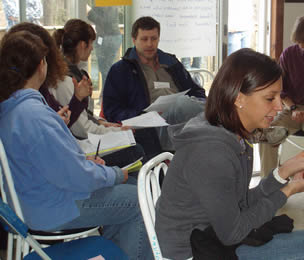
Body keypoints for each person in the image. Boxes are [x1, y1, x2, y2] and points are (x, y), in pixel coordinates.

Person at [0, 30, 152, 260]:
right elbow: (75, 176)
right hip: (52, 208)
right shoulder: (34, 115)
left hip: (30, 201)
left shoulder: (12, 108)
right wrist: (112, 174)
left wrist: (87, 164)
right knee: (141, 199)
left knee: (129, 191)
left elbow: (54, 164)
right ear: (42, 65)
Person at [155, 48, 304, 260]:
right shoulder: (211, 152)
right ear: (239, 98)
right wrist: (287, 191)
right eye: (270, 98)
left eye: (279, 96)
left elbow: (240, 204)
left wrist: (284, 172)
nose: (280, 106)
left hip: (213, 237)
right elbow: (233, 232)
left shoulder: (236, 135)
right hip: (196, 251)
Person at [103, 16, 206, 151]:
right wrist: (142, 115)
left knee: (206, 105)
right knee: (183, 104)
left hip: (184, 120)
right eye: (144, 39)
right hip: (151, 126)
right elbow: (112, 110)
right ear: (134, 40)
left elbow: (197, 92)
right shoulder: (121, 70)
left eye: (154, 39)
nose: (150, 44)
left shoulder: (171, 63)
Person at [7, 22, 91, 128]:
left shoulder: (41, 90)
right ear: (41, 64)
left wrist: (78, 98)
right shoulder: (27, 102)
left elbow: (64, 117)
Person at [259, 16, 304, 177]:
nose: (302, 46)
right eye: (299, 43)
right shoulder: (289, 55)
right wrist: (292, 108)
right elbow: (281, 91)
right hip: (293, 109)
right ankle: (268, 183)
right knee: (267, 136)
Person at [87, 5, 122, 104]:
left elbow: (104, 22)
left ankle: (106, 98)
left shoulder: (108, 6)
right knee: (104, 69)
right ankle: (104, 97)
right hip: (108, 38)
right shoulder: (105, 5)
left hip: (108, 38)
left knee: (106, 69)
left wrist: (89, 12)